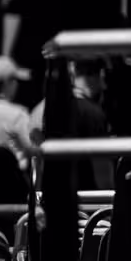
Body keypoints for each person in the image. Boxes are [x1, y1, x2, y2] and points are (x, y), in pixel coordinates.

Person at [29, 58, 115, 191]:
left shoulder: (40, 108)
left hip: (50, 192)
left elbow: (37, 163)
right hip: (84, 197)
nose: (104, 86)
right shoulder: (92, 112)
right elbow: (101, 168)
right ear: (94, 76)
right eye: (103, 78)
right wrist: (108, 196)